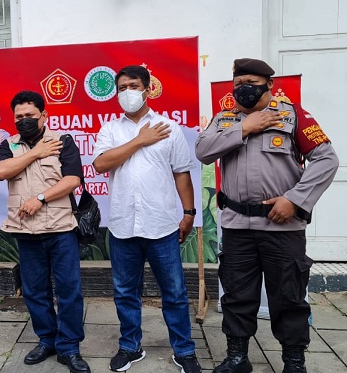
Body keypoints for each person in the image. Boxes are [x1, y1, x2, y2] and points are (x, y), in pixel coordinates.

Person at [195, 58, 339, 373]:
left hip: (282, 225)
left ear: (269, 85)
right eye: (237, 84)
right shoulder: (224, 120)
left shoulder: (292, 115)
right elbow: (203, 152)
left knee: (288, 296)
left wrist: (295, 200)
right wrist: (244, 127)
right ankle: (237, 358)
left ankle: (293, 362)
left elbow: (326, 159)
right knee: (236, 294)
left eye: (251, 81)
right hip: (236, 225)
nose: (243, 89)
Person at [93, 65, 202, 373]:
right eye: (121, 87)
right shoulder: (110, 129)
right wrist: (140, 140)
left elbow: (182, 173)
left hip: (162, 225)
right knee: (126, 292)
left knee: (175, 293)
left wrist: (189, 212)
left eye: (132, 85)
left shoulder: (169, 127)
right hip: (123, 226)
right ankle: (130, 346)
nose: (127, 92)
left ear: (147, 88)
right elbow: (101, 164)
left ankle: (184, 350)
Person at [0, 90, 91, 373]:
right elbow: (2, 171)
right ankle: (46, 340)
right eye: (19, 117)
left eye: (30, 116)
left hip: (61, 230)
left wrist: (40, 199)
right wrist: (36, 152)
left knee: (69, 291)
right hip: (25, 232)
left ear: (44, 115)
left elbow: (73, 179)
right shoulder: (8, 144)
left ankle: (70, 348)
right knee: (35, 292)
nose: (24, 121)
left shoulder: (63, 142)